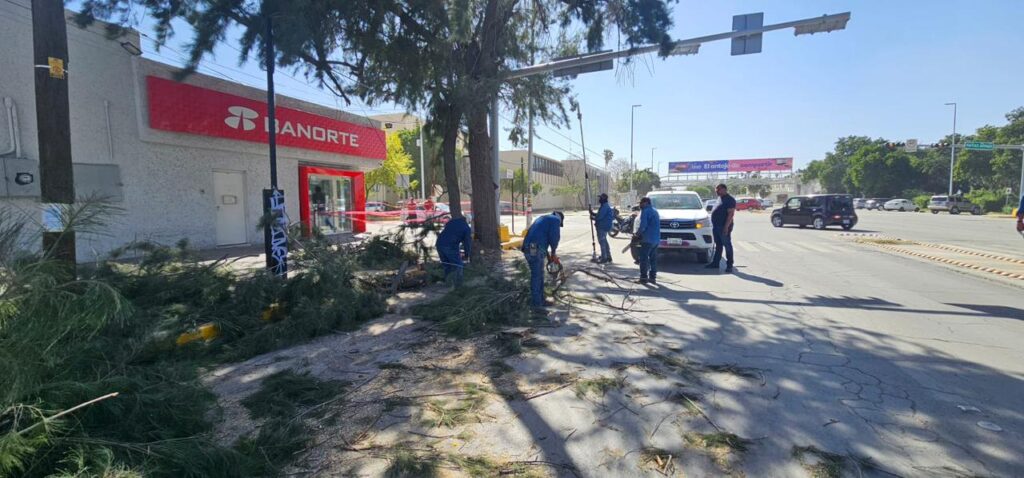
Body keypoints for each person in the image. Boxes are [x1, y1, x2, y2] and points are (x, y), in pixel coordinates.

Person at [522, 211, 564, 308]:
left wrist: (549, 258)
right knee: (537, 276)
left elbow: (540, 238)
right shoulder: (555, 220)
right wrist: (553, 252)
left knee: (538, 274)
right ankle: (537, 304)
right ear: (560, 219)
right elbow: (554, 238)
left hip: (529, 247)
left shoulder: (543, 218)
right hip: (535, 248)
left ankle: (540, 300)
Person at [435, 214, 472, 286]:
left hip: (439, 244)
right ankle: (459, 285)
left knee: (447, 265)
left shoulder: (452, 222)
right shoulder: (466, 228)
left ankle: (448, 283)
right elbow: (467, 243)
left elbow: (449, 233)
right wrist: (467, 255)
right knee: (458, 265)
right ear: (468, 221)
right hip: (450, 246)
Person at [707, 183, 736, 273]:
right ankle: (715, 263)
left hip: (723, 227)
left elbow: (731, 215)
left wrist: (726, 227)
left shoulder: (730, 200)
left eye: (718, 190)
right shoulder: (720, 198)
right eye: (716, 190)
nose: (717, 191)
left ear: (724, 189)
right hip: (716, 226)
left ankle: (729, 265)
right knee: (718, 245)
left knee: (727, 245)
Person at [634, 197, 661, 284]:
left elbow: (643, 225)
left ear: (646, 203)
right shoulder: (655, 211)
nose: (640, 205)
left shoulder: (645, 211)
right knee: (653, 258)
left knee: (643, 259)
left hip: (647, 239)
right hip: (656, 239)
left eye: (641, 203)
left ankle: (643, 278)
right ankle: (652, 277)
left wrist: (637, 234)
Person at [590, 193, 614, 263]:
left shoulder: (605, 207)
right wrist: (592, 213)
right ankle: (608, 256)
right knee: (604, 241)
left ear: (603, 199)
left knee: (602, 242)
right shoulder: (604, 206)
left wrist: (593, 217)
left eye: (600, 198)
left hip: (602, 226)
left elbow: (600, 216)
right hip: (604, 226)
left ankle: (604, 257)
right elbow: (599, 214)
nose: (599, 199)